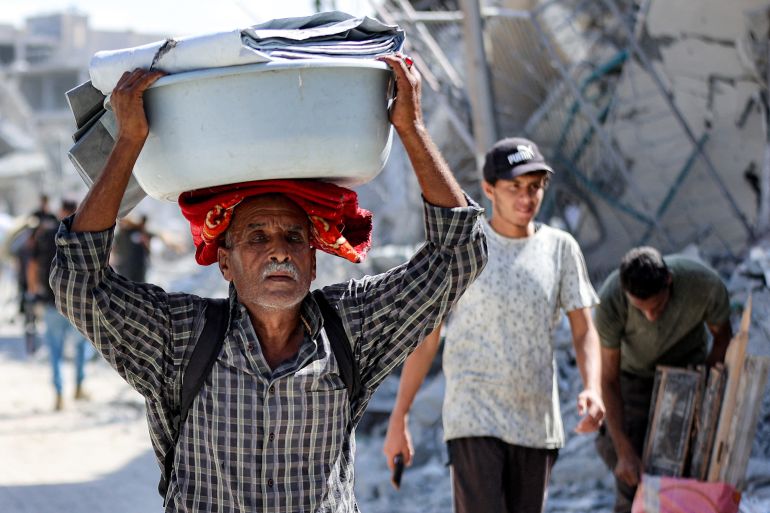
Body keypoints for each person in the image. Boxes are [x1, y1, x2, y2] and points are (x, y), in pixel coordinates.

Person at [50, 54, 487, 512]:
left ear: (314, 261)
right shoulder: (180, 339)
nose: (279, 250)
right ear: (225, 263)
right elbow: (78, 280)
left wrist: (411, 128)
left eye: (293, 237)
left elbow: (459, 255)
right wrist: (130, 141)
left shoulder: (353, 330)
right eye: (257, 237)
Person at [383, 137, 606, 513]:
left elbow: (584, 330)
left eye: (534, 187)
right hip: (474, 418)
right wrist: (399, 415)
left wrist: (593, 388)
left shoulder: (561, 248)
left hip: (536, 422)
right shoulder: (467, 248)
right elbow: (428, 338)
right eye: (514, 187)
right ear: (489, 190)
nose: (526, 197)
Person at [594, 246, 732, 513]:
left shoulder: (702, 285)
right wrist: (623, 450)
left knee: (689, 464)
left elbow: (723, 337)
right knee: (632, 472)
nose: (651, 316)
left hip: (689, 370)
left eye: (657, 307)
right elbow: (609, 379)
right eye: (641, 309)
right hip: (634, 379)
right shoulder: (611, 301)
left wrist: (703, 388)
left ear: (668, 279)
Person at [27, 199, 91, 410]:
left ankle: (59, 392)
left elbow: (33, 265)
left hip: (50, 301)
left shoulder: (45, 233)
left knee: (55, 349)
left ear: (60, 210)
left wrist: (34, 290)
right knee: (81, 345)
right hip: (76, 303)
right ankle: (79, 386)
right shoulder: (83, 233)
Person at [112, 214, 152, 281]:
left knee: (139, 284)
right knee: (125, 283)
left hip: (139, 265)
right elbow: (114, 248)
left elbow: (148, 245)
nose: (123, 223)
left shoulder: (138, 231)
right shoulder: (119, 235)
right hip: (124, 265)